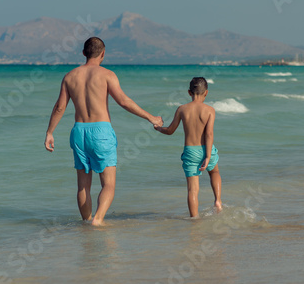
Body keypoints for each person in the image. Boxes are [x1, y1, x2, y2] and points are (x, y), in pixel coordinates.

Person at [44, 37, 163, 226]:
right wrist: (151, 117)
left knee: (83, 185)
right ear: (103, 54)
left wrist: (50, 132)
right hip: (101, 131)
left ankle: (86, 222)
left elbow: (60, 107)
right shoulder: (107, 75)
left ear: (83, 53)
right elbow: (124, 101)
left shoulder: (69, 76)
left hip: (78, 131)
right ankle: (97, 220)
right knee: (108, 184)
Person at [154, 77, 222, 218]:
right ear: (206, 93)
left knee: (192, 190)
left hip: (190, 151)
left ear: (189, 92)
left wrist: (159, 129)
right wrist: (208, 156)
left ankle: (194, 220)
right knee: (214, 172)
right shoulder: (210, 110)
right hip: (206, 149)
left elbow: (170, 130)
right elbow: (209, 133)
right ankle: (218, 201)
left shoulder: (182, 109)